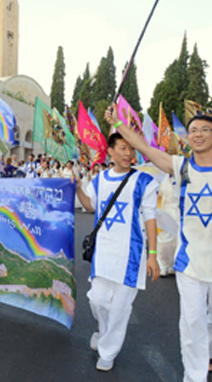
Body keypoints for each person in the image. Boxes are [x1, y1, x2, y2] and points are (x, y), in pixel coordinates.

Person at [107, 108, 212, 381]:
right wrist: (117, 122)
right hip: (189, 260)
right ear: (187, 137)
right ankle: (195, 376)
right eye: (193, 131)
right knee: (192, 323)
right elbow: (143, 145)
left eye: (205, 130)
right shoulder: (181, 166)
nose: (198, 134)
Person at [76, 132, 160, 372]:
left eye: (131, 149)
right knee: (98, 300)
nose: (128, 153)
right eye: (123, 148)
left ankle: (108, 351)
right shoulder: (101, 180)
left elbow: (150, 218)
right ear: (110, 152)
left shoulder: (144, 181)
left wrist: (152, 254)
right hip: (103, 253)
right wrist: (77, 189)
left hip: (130, 255)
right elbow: (91, 205)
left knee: (120, 307)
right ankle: (103, 332)